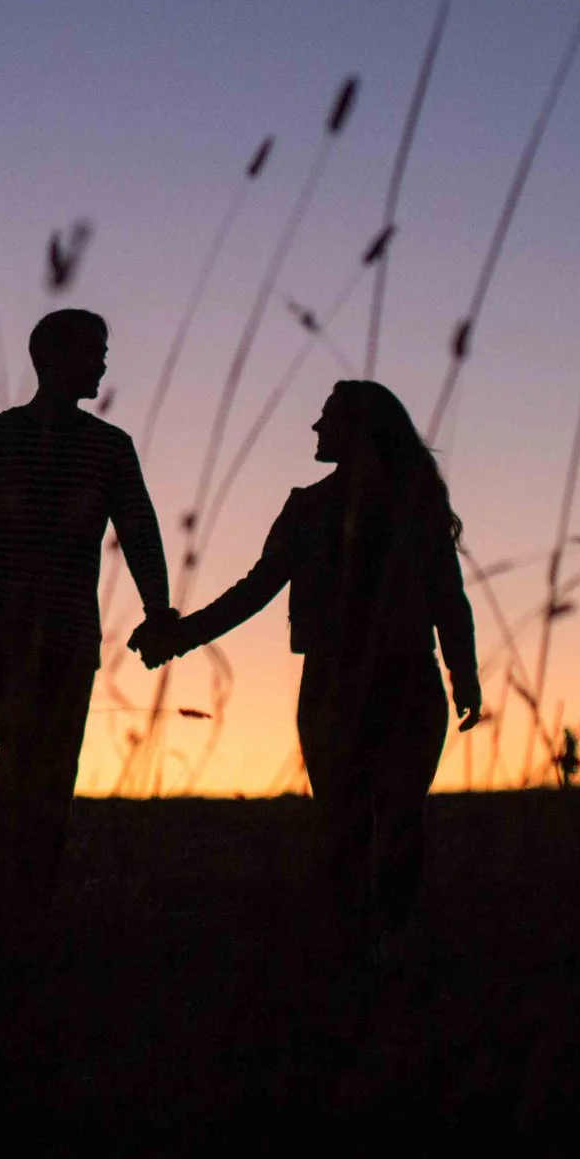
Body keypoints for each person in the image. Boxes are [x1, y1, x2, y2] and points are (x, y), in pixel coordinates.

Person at [134, 379, 481, 957]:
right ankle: (366, 949)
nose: (315, 429)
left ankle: (382, 945)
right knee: (366, 823)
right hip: (361, 683)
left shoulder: (378, 506)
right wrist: (181, 638)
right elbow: (256, 590)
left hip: (375, 684)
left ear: (358, 430)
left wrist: (463, 672)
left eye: (327, 419)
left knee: (381, 822)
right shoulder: (320, 506)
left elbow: (448, 596)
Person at [0, 308, 175, 933]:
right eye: (93, 351)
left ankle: (18, 903)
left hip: (68, 629)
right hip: (3, 625)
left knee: (50, 765)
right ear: (52, 358)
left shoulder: (108, 448)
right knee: (27, 754)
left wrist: (159, 611)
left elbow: (139, 531)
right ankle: (6, 903)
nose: (103, 363)